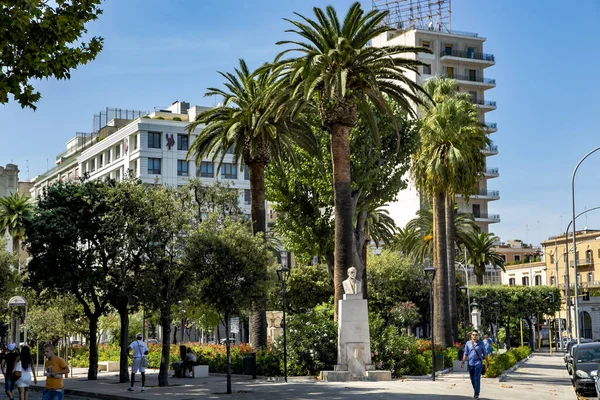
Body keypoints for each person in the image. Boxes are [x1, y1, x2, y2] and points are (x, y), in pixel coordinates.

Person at [461, 330, 488, 399]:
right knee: (472, 379)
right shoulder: (468, 343)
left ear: (477, 336)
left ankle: (476, 393)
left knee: (477, 378)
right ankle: (475, 389)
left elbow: (485, 353)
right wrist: (463, 361)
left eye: (476, 335)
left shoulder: (481, 343)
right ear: (471, 335)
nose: (474, 336)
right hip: (470, 363)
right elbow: (465, 353)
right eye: (473, 335)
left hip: (478, 363)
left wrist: (487, 362)